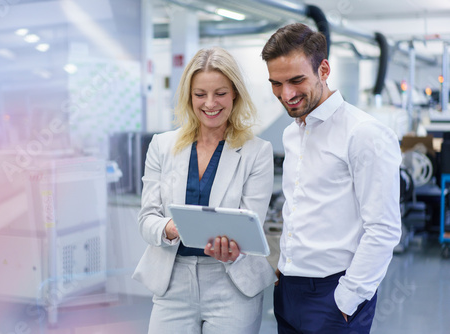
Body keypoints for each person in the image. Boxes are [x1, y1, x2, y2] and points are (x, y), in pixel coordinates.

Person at [261, 23, 402, 333]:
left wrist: (347, 298)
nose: (286, 94)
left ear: (323, 69)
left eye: (296, 80)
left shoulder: (364, 134)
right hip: (288, 288)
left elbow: (384, 228)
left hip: (334, 295)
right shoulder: (290, 133)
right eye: (276, 83)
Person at [132, 46, 276, 334]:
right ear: (189, 96)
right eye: (200, 94)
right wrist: (171, 228)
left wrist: (234, 248)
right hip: (172, 281)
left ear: (235, 93)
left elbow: (251, 226)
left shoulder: (257, 152)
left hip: (232, 284)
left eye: (220, 93)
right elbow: (146, 220)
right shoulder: (162, 146)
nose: (210, 103)